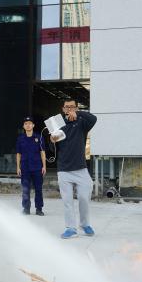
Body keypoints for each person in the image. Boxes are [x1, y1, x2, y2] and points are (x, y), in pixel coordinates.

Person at [51, 98, 97, 239]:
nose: (69, 109)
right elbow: (51, 146)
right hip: (63, 169)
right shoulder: (56, 122)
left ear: (76, 108)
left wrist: (79, 113)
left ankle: (85, 224)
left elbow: (94, 119)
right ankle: (70, 228)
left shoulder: (82, 122)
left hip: (80, 168)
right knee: (67, 201)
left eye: (72, 107)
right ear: (63, 108)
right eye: (67, 107)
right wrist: (52, 140)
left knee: (84, 198)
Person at [16, 116, 46, 215]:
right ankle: (26, 208)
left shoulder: (39, 137)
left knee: (38, 189)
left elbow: (42, 152)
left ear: (33, 125)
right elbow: (18, 154)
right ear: (23, 126)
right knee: (25, 189)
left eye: (30, 123)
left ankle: (39, 209)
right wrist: (18, 167)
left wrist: (44, 166)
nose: (28, 125)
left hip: (37, 167)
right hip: (25, 168)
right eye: (26, 124)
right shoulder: (20, 139)